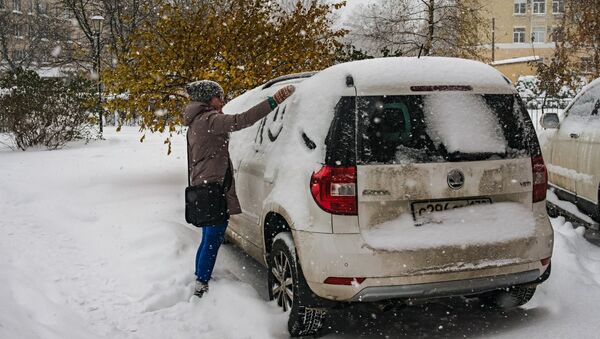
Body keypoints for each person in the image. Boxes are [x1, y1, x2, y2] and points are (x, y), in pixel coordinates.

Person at [183, 80, 295, 298]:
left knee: (208, 235)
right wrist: (274, 100)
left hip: (204, 186)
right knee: (214, 234)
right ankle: (201, 283)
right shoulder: (209, 120)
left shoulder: (196, 121)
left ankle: (200, 275)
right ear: (208, 99)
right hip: (212, 188)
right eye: (218, 97)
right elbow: (242, 120)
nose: (222, 101)